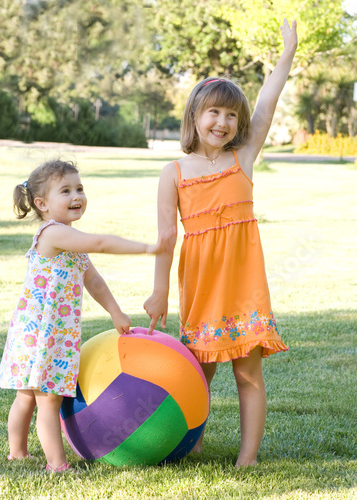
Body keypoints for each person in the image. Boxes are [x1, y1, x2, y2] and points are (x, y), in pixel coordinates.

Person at [144, 19, 298, 467]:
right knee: (198, 372)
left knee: (248, 371)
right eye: (213, 112)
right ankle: (190, 443)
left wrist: (286, 52)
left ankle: (247, 458)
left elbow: (268, 102)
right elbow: (167, 237)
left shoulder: (243, 158)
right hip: (202, 285)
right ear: (194, 115)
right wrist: (160, 292)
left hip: (243, 285)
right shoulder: (172, 173)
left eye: (231, 115)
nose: (222, 121)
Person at [0, 159, 175, 473]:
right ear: (42, 205)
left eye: (79, 188)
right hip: (40, 334)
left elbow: (93, 280)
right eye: (66, 190)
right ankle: (56, 463)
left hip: (48, 332)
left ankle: (18, 453)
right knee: (45, 400)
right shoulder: (53, 234)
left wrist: (115, 310)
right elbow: (101, 242)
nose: (77, 195)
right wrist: (148, 248)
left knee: (28, 394)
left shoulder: (71, 242)